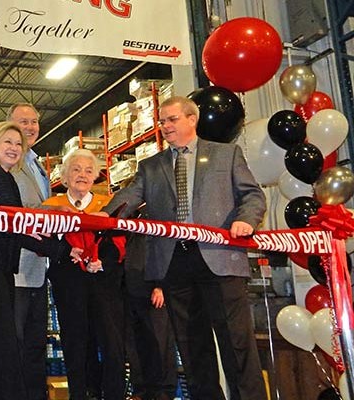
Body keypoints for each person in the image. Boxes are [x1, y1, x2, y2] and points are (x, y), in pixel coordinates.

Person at [101, 95, 267, 400]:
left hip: (220, 259)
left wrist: (246, 221)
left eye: (172, 119)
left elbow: (253, 196)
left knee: (237, 344)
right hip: (174, 263)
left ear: (193, 119)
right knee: (192, 349)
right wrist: (104, 215)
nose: (165, 126)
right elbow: (130, 197)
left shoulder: (226, 154)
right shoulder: (150, 166)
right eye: (162, 121)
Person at [0, 121, 59, 400]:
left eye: (18, 144)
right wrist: (62, 250)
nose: (14, 148)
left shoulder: (6, 177)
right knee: (0, 332)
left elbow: (18, 224)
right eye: (8, 142)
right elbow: (15, 224)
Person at [45, 149, 126, 400]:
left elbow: (121, 241)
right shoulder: (51, 207)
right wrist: (65, 251)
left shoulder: (109, 205)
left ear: (95, 177)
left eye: (88, 171)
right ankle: (80, 394)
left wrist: (103, 262)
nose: (82, 175)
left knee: (112, 343)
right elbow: (44, 242)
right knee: (75, 342)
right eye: (76, 169)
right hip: (69, 284)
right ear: (65, 177)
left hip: (103, 283)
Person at [8, 103, 51, 400]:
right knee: (17, 342)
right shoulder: (11, 162)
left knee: (35, 343)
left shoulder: (36, 163)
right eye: (23, 121)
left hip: (40, 268)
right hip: (18, 268)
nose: (31, 127)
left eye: (34, 121)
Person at [124, 222, 177, 400]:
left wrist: (161, 285)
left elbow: (165, 249)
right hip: (129, 288)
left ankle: (164, 392)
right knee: (135, 344)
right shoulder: (127, 214)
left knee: (160, 343)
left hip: (153, 288)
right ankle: (141, 391)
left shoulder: (155, 212)